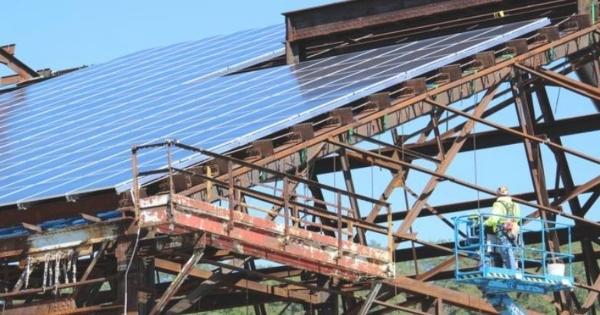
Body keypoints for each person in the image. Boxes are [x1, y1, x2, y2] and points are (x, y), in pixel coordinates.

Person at [484, 186, 521, 270]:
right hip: (514, 230)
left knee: (505, 250)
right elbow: (518, 218)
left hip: (503, 230)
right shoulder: (515, 205)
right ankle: (514, 267)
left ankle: (511, 270)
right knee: (512, 249)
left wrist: (485, 223)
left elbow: (493, 219)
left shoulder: (498, 204)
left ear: (498, 195)